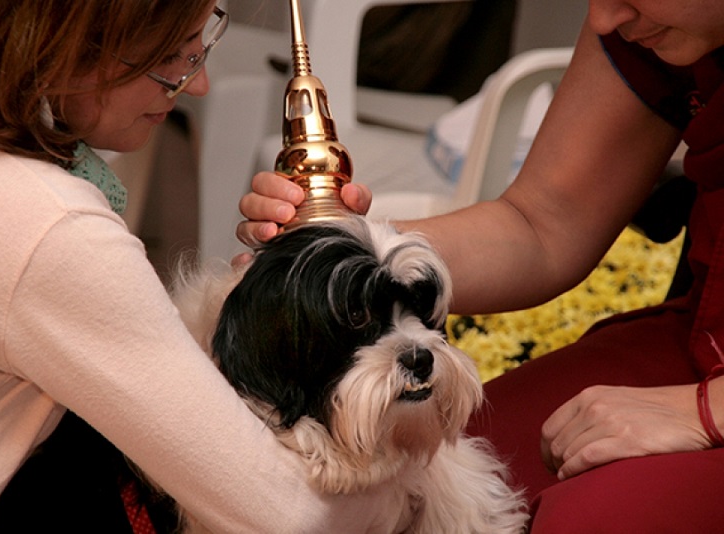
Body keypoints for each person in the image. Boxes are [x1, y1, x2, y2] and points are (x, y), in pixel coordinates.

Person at [238, 0, 724, 531]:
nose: (604, 19)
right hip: (700, 336)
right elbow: (542, 224)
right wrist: (343, 259)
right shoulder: (642, 25)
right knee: (443, 465)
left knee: (581, 518)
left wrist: (704, 412)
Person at [0, 2, 399, 532]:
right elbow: (290, 516)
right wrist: (429, 462)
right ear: (63, 41)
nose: (199, 86)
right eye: (171, 56)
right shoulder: (45, 225)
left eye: (201, 43)